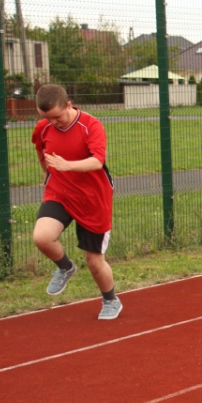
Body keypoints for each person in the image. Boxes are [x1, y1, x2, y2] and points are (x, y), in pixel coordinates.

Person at [31, 83, 122, 320]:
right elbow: (42, 152)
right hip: (59, 192)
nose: (53, 122)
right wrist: (46, 173)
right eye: (46, 118)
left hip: (93, 199)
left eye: (57, 117)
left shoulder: (91, 125)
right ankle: (65, 267)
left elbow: (97, 161)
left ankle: (111, 300)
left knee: (94, 260)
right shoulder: (43, 128)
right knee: (42, 237)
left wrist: (67, 165)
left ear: (69, 105)